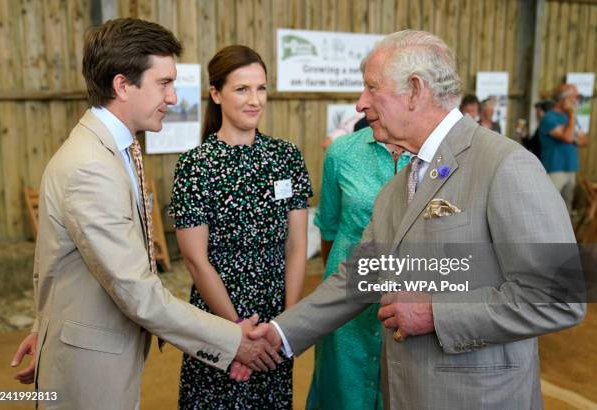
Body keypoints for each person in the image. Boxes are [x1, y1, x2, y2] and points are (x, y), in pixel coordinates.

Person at [247, 30, 585, 409]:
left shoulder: (506, 164)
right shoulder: (397, 188)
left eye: (371, 89)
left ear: (414, 90)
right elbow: (357, 278)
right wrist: (278, 334)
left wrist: (436, 314)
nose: (360, 104)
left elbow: (558, 297)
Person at [10, 19, 279, 409]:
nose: (172, 97)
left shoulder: (111, 151)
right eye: (164, 83)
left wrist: (45, 326)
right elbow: (137, 292)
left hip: (96, 352)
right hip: (93, 369)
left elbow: (56, 262)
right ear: (123, 85)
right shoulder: (91, 167)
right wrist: (234, 341)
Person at [170, 45, 313, 409]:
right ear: (216, 94)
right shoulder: (195, 166)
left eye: (261, 88)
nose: (255, 100)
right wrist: (235, 336)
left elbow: (297, 246)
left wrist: (283, 329)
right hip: (218, 317)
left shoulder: (287, 157)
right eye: (242, 89)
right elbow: (195, 259)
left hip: (274, 317)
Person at [308, 126, 410, 410]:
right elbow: (329, 227)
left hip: (408, 302)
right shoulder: (343, 152)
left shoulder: (433, 154)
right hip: (346, 300)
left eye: (373, 89)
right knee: (342, 390)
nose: (362, 102)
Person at [537, 84, 588, 213]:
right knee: (549, 207)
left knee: (567, 209)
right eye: (573, 98)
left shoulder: (568, 119)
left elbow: (584, 140)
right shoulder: (549, 118)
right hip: (554, 168)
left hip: (570, 168)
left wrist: (572, 135)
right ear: (563, 99)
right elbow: (568, 138)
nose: (575, 102)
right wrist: (571, 116)